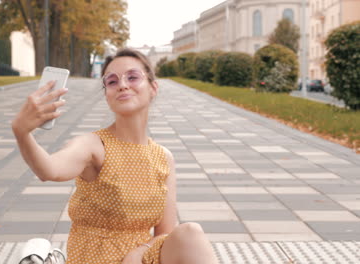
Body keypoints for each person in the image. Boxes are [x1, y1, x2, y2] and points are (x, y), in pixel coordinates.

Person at [12, 48, 218, 264]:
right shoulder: (93, 146)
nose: (122, 84)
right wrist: (22, 133)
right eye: (111, 81)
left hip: (141, 259)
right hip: (95, 259)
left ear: (153, 87)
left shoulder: (163, 157)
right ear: (107, 95)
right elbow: (49, 169)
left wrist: (139, 252)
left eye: (133, 77)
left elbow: (165, 234)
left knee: (190, 233)